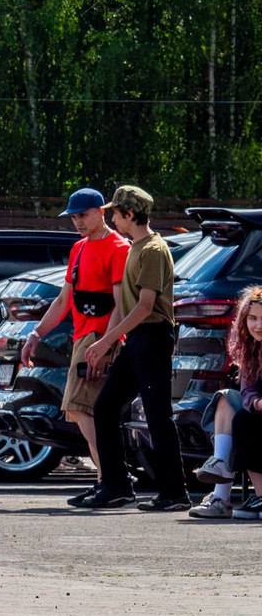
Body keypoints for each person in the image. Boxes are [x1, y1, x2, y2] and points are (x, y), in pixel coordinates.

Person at [81, 184, 189, 512]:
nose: (112, 219)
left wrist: (106, 340)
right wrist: (114, 341)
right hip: (136, 340)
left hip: (152, 337)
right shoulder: (135, 247)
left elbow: (145, 306)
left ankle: (174, 492)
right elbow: (129, 307)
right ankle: (116, 487)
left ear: (130, 214)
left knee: (158, 415)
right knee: (105, 406)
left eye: (115, 213)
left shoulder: (153, 249)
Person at [22, 187, 130, 506]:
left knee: (85, 411)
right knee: (82, 411)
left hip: (100, 339)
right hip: (83, 338)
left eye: (83, 215)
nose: (78, 222)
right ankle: (108, 481)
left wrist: (107, 345)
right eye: (73, 217)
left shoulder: (118, 248)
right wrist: (36, 334)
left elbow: (121, 304)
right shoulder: (79, 248)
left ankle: (113, 481)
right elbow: (63, 300)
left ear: (100, 211)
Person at [190, 286, 262, 518]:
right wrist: (258, 404)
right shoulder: (251, 349)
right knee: (227, 400)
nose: (258, 325)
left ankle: (240, 494)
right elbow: (248, 391)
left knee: (243, 421)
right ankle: (221, 487)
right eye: (252, 318)